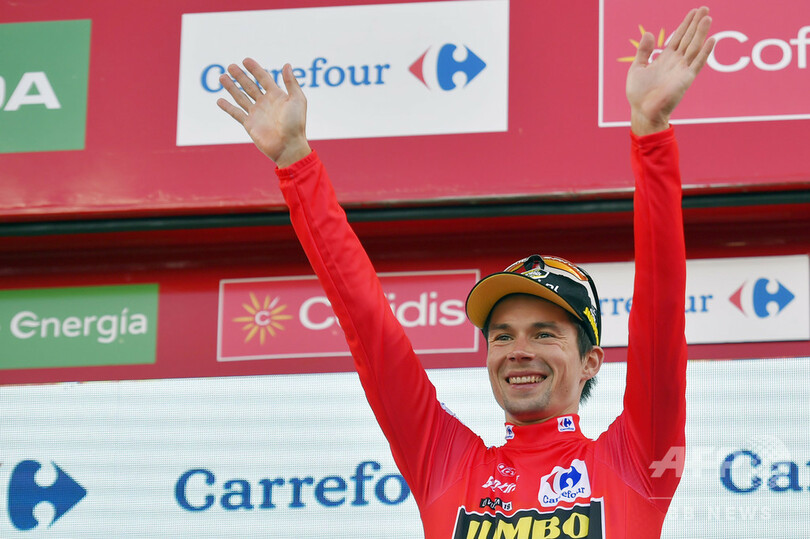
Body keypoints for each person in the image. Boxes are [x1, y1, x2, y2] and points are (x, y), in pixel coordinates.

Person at [217, 7, 715, 538]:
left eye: (544, 333)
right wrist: (295, 161)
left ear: (590, 360)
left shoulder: (637, 462)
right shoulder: (444, 463)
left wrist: (651, 136)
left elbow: (660, 312)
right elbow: (367, 324)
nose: (518, 350)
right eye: (502, 336)